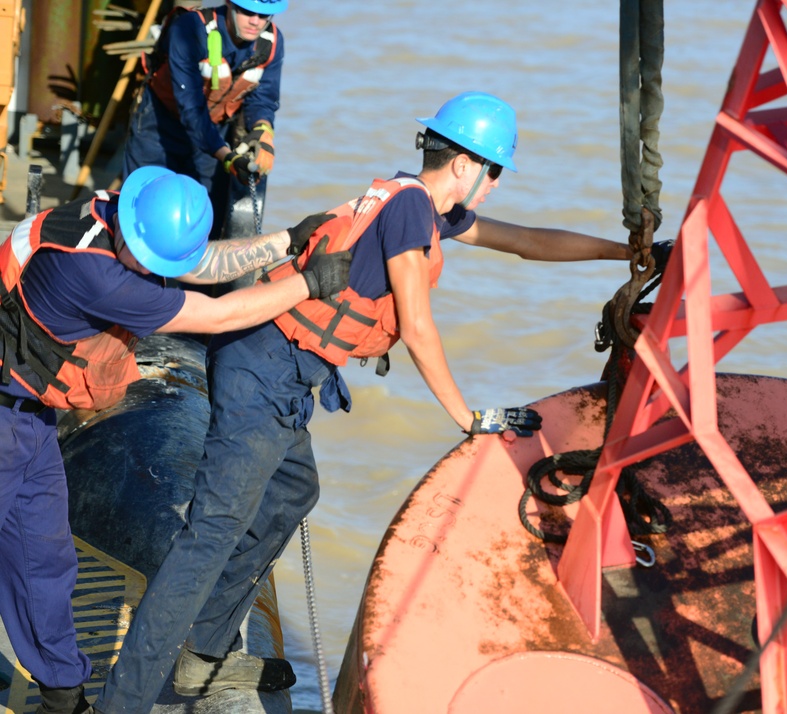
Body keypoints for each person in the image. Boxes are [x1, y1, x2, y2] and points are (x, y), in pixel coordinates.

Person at [92, 91, 671, 714]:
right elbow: (417, 325)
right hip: (263, 364)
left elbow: (526, 242)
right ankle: (124, 701)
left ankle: (201, 653)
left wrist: (625, 253)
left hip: (285, 371)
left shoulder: (418, 207)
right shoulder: (409, 210)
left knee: (292, 490)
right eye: (494, 170)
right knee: (210, 534)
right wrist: (468, 416)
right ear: (465, 165)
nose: (495, 184)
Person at [0, 166, 348, 714]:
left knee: (43, 553)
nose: (157, 273)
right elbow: (214, 313)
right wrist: (305, 283)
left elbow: (200, 262)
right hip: (5, 417)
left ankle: (63, 696)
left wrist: (286, 240)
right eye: (152, 264)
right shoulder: (97, 278)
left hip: (28, 417)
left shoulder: (110, 212)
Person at [124, 0, 287, 239]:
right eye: (247, 12)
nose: (256, 21)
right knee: (142, 213)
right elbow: (191, 108)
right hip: (159, 127)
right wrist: (227, 156)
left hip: (215, 130)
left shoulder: (271, 44)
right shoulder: (189, 29)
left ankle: (189, 273)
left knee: (203, 222)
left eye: (264, 15)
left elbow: (263, 99)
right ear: (230, 4)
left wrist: (263, 133)